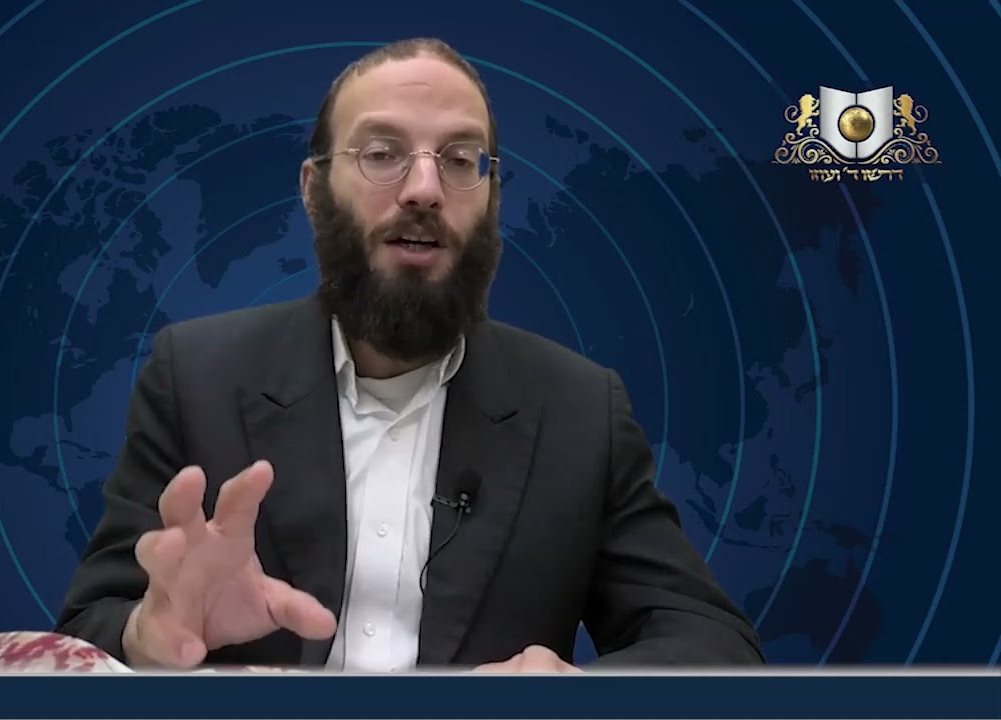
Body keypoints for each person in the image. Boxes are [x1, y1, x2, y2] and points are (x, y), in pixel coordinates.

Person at [55, 37, 765, 673]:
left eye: (459, 160)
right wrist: (152, 635)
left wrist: (570, 689)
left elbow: (713, 642)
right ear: (313, 189)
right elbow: (90, 625)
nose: (424, 189)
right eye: (382, 153)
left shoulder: (582, 411)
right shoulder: (194, 376)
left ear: (491, 197)